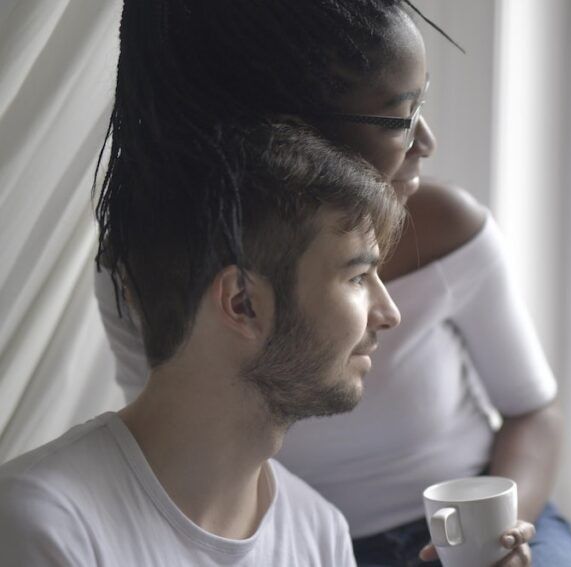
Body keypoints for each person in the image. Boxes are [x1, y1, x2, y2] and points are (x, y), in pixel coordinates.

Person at [95, 1, 571, 565]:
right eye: (402, 116)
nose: (425, 141)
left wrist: (490, 539)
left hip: (470, 525)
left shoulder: (448, 229)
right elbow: (174, 453)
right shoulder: (150, 276)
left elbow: (534, 412)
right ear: (295, 133)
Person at [0, 121, 404, 565]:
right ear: (242, 303)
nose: (389, 313)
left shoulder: (320, 532)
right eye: (358, 277)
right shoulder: (43, 525)